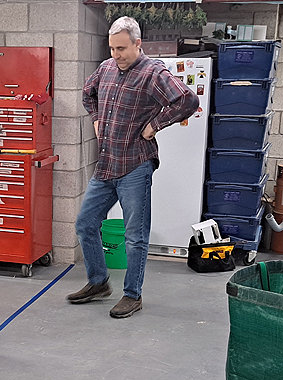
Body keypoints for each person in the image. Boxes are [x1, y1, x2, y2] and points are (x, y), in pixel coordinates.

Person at [68, 16, 198, 318]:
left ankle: (132, 295)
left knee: (135, 236)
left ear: (138, 44)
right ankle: (99, 282)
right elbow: (88, 94)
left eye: (122, 48)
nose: (116, 55)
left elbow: (187, 100)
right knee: (86, 224)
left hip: (136, 165)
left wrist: (155, 124)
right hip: (107, 163)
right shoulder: (106, 68)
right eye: (112, 48)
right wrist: (97, 119)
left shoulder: (153, 73)